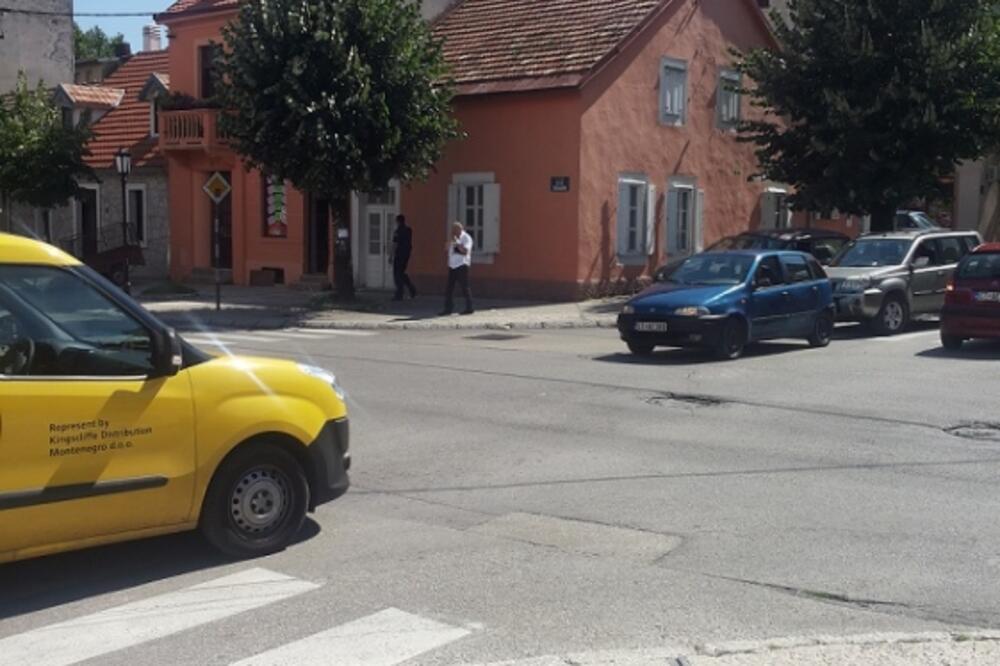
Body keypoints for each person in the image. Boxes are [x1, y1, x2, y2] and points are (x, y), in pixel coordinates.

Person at [440, 221, 474, 315]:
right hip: (452, 265)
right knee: (449, 288)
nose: (454, 232)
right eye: (453, 230)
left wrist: (458, 243)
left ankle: (469, 307)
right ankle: (448, 309)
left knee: (464, 287)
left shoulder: (466, 238)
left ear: (460, 229)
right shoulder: (453, 238)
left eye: (455, 230)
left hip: (462, 265)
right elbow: (446, 248)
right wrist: (450, 240)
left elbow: (465, 251)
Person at [391, 214, 416, 300]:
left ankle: (399, 294)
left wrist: (391, 256)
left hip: (399, 255)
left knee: (397, 274)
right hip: (406, 255)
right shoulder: (409, 230)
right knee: (401, 273)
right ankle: (412, 289)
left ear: (398, 221)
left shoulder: (397, 231)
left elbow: (395, 244)